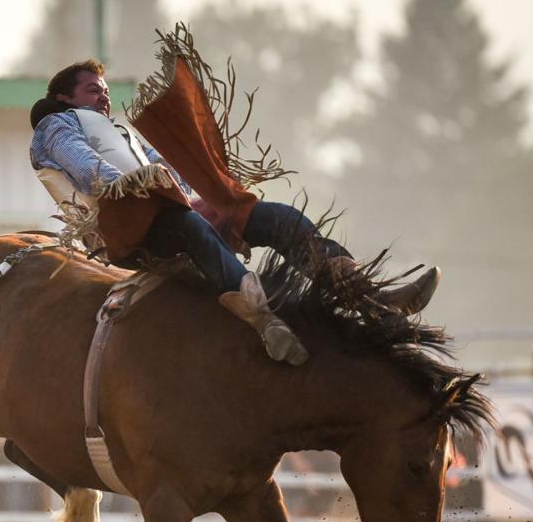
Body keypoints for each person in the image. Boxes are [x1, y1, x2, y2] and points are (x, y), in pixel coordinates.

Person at [29, 57, 441, 366]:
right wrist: (150, 188)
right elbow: (86, 170)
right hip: (126, 229)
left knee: (275, 217)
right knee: (188, 224)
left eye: (103, 89)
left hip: (171, 209)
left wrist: (201, 194)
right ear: (64, 97)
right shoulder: (57, 126)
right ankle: (264, 320)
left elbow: (177, 172)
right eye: (91, 89)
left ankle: (372, 298)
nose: (103, 95)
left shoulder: (123, 133)